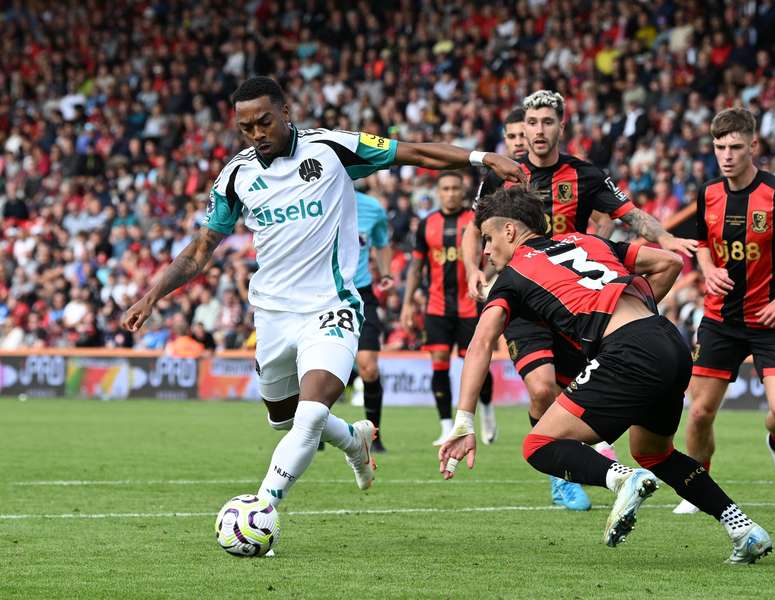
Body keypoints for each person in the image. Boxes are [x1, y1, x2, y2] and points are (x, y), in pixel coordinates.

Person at [123, 77, 525, 518]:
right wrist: (151, 295)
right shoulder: (237, 175)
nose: (257, 134)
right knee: (285, 420)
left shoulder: (331, 148)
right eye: (246, 128)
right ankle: (354, 439)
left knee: (311, 415)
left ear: (285, 113)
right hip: (273, 316)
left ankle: (260, 510)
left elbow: (413, 151)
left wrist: (481, 157)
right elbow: (201, 250)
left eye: (264, 122)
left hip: (331, 307)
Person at [439, 187, 772, 564]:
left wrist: (464, 420)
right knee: (655, 453)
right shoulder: (587, 240)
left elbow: (481, 343)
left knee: (537, 446)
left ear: (511, 231)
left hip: (629, 352)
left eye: (488, 237)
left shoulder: (512, 276)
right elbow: (669, 263)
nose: (484, 249)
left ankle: (621, 479)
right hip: (668, 340)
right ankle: (743, 529)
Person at [461, 90, 697, 511]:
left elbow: (629, 214)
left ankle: (597, 459)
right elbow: (473, 227)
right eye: (531, 123)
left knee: (578, 392)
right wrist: (473, 270)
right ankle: (561, 478)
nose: (537, 131)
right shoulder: (504, 174)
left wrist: (664, 239)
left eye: (546, 122)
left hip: (578, 301)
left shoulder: (586, 175)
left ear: (560, 127)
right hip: (525, 299)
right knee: (541, 387)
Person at [674, 108, 775, 514]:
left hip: (771, 319)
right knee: (699, 413)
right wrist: (708, 270)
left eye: (735, 147)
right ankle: (698, 485)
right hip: (719, 319)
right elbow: (702, 242)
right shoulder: (708, 194)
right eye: (719, 147)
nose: (726, 155)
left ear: (753, 146)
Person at [401, 171, 497, 446]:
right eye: (446, 188)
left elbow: (493, 256)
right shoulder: (426, 225)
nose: (451, 193)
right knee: (439, 365)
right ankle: (445, 426)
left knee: (478, 365)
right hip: (436, 305)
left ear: (463, 192)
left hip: (470, 303)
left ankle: (488, 412)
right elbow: (416, 267)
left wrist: (481, 276)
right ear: (438, 192)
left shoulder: (477, 222)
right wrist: (408, 303)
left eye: (456, 188)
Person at [350, 190, 393, 453]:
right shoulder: (311, 198)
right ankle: (314, 432)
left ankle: (373, 434)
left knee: (368, 368)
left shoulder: (371, 208)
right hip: (322, 294)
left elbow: (381, 242)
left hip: (361, 294)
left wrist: (386, 272)